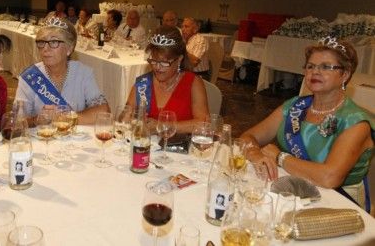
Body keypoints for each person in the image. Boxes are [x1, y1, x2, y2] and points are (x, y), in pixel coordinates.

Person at [240, 36, 374, 211]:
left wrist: (280, 157)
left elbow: (329, 178)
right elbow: (246, 138)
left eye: (325, 67)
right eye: (310, 66)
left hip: (338, 205)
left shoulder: (355, 121)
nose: (315, 72)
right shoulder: (293, 106)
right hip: (291, 193)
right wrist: (255, 154)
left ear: (345, 75)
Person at [15, 17, 109, 124]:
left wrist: (67, 117)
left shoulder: (83, 73)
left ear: (69, 48)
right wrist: (36, 120)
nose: (45, 48)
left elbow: (103, 111)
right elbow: (15, 123)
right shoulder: (30, 77)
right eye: (41, 42)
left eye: (54, 41)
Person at [126, 26, 209, 133]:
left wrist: (162, 126)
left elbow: (204, 123)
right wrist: (128, 118)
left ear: (179, 59)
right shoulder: (144, 83)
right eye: (154, 61)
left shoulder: (193, 83)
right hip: (145, 145)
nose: (157, 67)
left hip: (180, 147)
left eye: (165, 62)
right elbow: (126, 115)